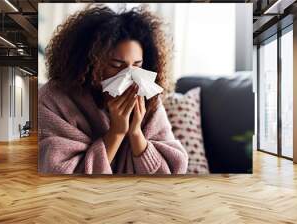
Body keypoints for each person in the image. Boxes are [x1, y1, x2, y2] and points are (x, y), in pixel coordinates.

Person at [38, 6, 188, 174]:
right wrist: (116, 132)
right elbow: (59, 174)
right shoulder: (53, 99)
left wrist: (136, 134)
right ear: (89, 64)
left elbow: (171, 173)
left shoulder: (149, 100)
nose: (129, 75)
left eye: (137, 65)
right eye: (116, 65)